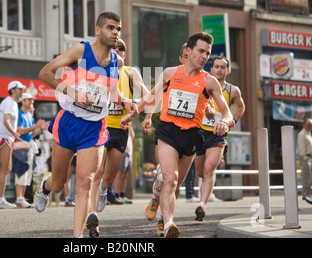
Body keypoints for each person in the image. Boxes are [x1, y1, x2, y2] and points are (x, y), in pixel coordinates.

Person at [35, 11, 138, 237]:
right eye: (111, 28)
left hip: (94, 127)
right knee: (60, 183)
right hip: (69, 121)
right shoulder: (81, 51)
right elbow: (45, 73)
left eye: (118, 29)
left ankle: (77, 238)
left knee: (84, 183)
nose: (115, 33)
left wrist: (126, 101)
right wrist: (73, 92)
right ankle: (45, 186)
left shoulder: (117, 61)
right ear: (98, 30)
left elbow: (110, 90)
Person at [121, 32, 232, 238]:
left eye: (207, 53)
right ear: (188, 51)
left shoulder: (210, 82)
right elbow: (150, 97)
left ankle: (164, 216)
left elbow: (227, 113)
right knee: (170, 179)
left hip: (192, 135)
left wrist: (223, 122)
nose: (204, 56)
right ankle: (169, 223)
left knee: (176, 184)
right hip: (168, 131)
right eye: (200, 51)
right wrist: (134, 112)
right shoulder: (171, 73)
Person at [87, 38, 149, 237]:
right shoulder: (98, 71)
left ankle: (105, 191)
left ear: (124, 53)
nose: (115, 50)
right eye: (112, 48)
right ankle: (93, 217)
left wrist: (140, 111)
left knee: (109, 177)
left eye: (119, 48)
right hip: (100, 127)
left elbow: (146, 94)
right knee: (97, 173)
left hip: (120, 130)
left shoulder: (130, 72)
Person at [194, 56, 245, 221]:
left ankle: (202, 204)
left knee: (209, 168)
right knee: (201, 171)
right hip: (200, 132)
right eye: (216, 66)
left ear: (227, 70)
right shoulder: (203, 83)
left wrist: (233, 120)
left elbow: (241, 106)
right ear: (212, 68)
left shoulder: (232, 90)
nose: (219, 70)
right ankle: (205, 193)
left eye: (223, 67)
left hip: (218, 135)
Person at [0, 80, 25, 209]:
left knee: (7, 168)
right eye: (20, 89)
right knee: (5, 168)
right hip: (4, 136)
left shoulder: (12, 103)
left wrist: (13, 134)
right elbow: (6, 121)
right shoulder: (9, 102)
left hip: (7, 137)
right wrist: (15, 134)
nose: (22, 91)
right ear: (13, 90)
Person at [14, 92, 49, 208]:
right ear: (22, 101)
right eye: (29, 100)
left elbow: (31, 134)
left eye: (32, 100)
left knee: (28, 174)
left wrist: (41, 129)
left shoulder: (29, 115)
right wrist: (35, 127)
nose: (31, 102)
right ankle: (19, 197)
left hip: (28, 145)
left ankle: (21, 198)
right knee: (21, 171)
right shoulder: (18, 113)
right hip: (20, 146)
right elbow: (20, 131)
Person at [113, 125, 135, 204]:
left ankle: (122, 195)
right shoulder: (122, 124)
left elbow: (132, 136)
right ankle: (116, 195)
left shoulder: (129, 126)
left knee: (125, 175)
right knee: (120, 174)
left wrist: (130, 126)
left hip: (129, 152)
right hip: (123, 150)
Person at [297, 118, 312, 200]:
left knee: (310, 177)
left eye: (311, 126)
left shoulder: (309, 133)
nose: (310, 127)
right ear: (304, 125)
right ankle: (306, 195)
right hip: (306, 158)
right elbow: (301, 148)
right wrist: (305, 158)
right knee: (306, 177)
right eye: (308, 125)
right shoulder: (302, 134)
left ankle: (308, 194)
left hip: (310, 157)